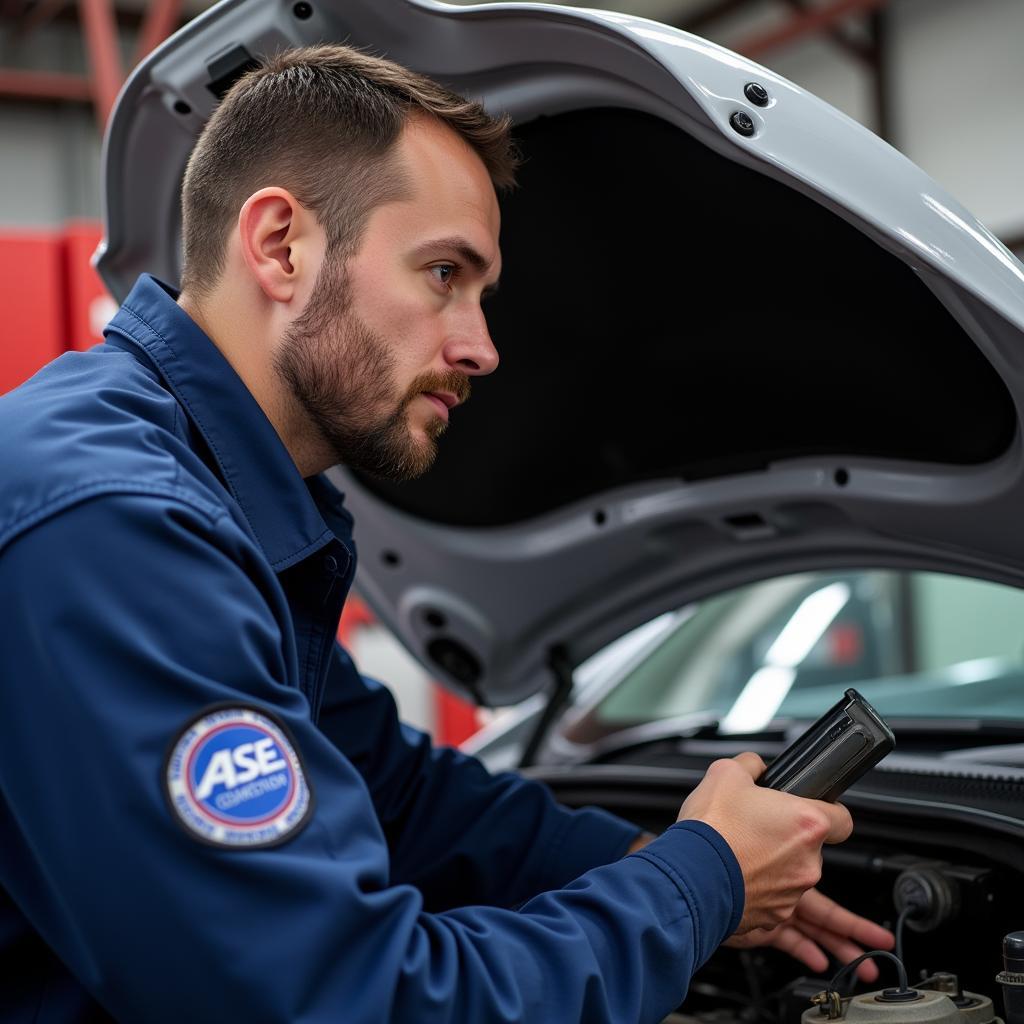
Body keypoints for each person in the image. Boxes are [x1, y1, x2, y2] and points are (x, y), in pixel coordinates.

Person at [0, 44, 892, 1023]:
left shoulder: (215, 500)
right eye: (441, 273)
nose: (481, 346)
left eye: (481, 291)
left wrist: (643, 862)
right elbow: (337, 999)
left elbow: (391, 791)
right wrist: (693, 885)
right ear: (280, 246)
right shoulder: (115, 524)